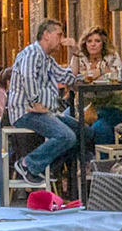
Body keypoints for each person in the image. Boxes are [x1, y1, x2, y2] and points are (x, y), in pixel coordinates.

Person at [9, 19, 83, 184]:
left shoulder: (47, 59)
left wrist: (76, 52)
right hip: (26, 111)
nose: (62, 39)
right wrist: (36, 102)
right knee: (67, 136)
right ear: (46, 35)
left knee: (83, 132)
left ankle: (50, 167)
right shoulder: (32, 53)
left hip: (45, 111)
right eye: (59, 34)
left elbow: (69, 77)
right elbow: (28, 77)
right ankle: (28, 164)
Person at [73, 28, 122, 151]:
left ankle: (103, 160)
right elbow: (73, 77)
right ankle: (78, 160)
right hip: (84, 107)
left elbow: (115, 76)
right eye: (89, 41)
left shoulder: (111, 57)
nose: (93, 44)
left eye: (97, 41)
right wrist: (102, 70)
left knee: (99, 128)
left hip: (112, 106)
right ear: (84, 43)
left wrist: (91, 74)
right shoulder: (80, 57)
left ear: (103, 43)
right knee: (66, 124)